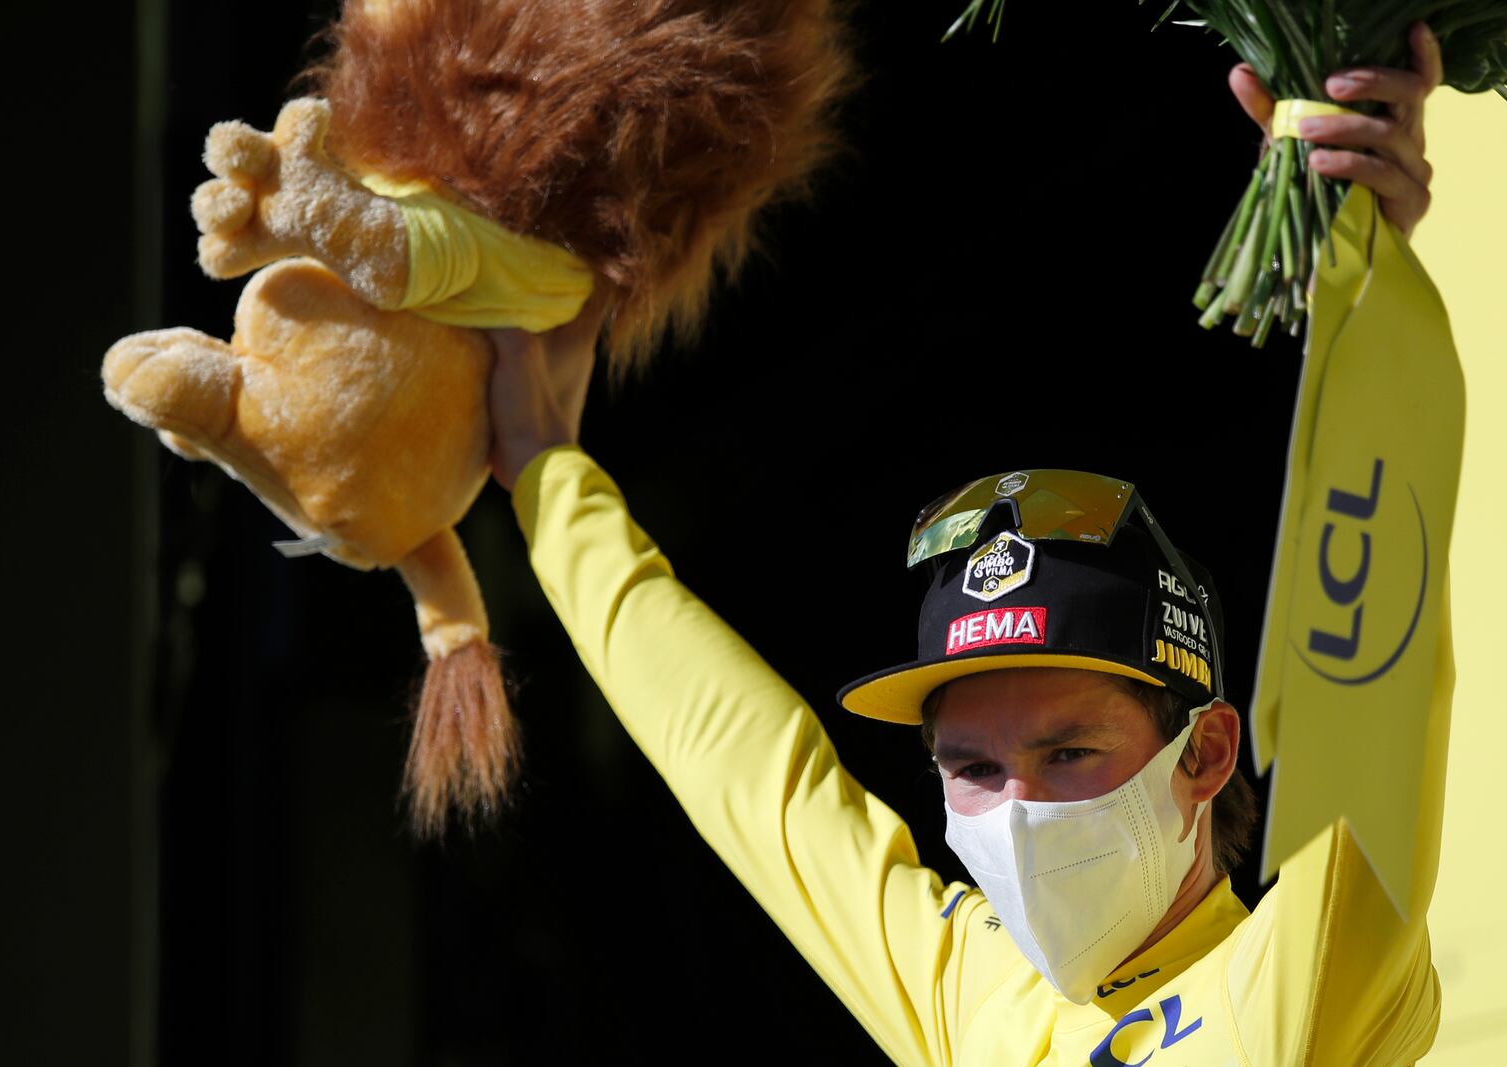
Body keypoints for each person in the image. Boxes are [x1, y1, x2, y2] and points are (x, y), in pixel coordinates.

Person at [484, 24, 1448, 1065]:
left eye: (1068, 751)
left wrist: (1360, 265)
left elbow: (1370, 665)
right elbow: (738, 757)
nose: (1018, 814)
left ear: (1205, 752)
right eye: (973, 766)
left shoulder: (1311, 968)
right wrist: (544, 469)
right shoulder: (965, 988)